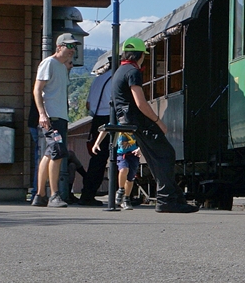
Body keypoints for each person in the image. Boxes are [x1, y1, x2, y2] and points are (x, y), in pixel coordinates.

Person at [109, 36, 197, 214]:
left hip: (127, 119)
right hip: (136, 119)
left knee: (156, 157)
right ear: (140, 56)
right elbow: (140, 103)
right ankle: (166, 199)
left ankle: (173, 197)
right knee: (166, 154)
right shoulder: (133, 72)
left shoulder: (119, 70)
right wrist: (158, 121)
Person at [32, 33, 80, 207]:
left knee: (49, 153)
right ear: (59, 46)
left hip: (60, 116)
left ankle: (39, 195)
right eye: (69, 46)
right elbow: (37, 89)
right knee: (58, 152)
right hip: (51, 116)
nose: (72, 50)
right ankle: (54, 195)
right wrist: (42, 113)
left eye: (74, 47)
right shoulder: (49, 63)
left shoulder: (61, 67)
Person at [77, 54, 119, 205]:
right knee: (120, 157)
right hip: (110, 117)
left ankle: (87, 193)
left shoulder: (98, 79)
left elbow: (88, 104)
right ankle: (122, 194)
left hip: (96, 120)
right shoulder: (116, 79)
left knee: (97, 160)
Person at [114, 127, 141, 209]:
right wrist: (97, 143)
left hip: (133, 154)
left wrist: (140, 148)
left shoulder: (135, 125)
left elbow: (144, 139)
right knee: (124, 169)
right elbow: (104, 130)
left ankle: (126, 198)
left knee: (130, 178)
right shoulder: (117, 125)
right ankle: (120, 190)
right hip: (122, 154)